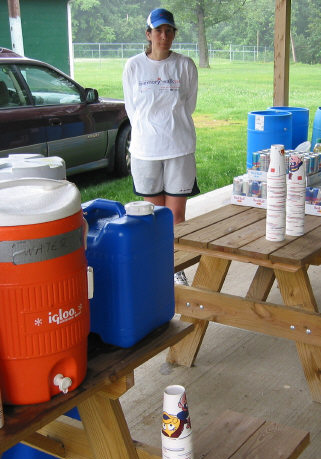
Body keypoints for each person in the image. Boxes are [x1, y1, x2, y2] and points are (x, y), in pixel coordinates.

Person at [122, 7, 199, 286]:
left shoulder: (185, 65)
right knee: (151, 217)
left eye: (169, 30)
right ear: (148, 34)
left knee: (176, 216)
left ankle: (175, 267)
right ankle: (155, 269)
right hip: (145, 151)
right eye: (158, 31)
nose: (163, 36)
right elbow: (133, 109)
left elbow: (188, 105)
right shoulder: (133, 66)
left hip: (179, 148)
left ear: (174, 34)